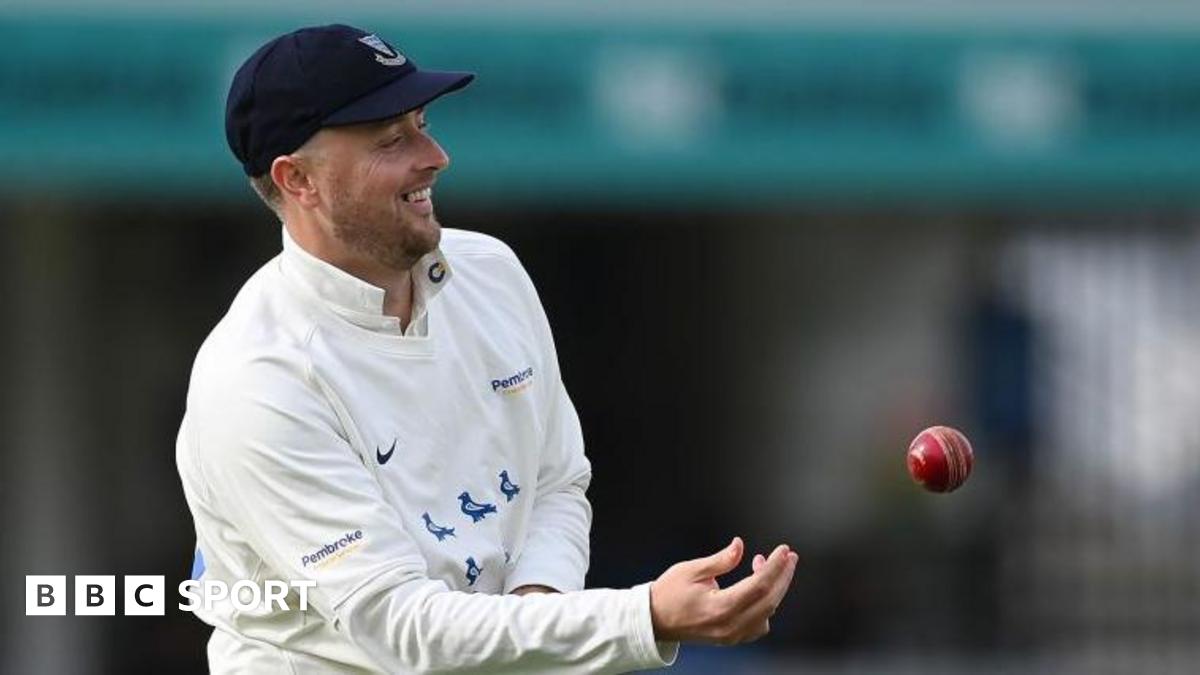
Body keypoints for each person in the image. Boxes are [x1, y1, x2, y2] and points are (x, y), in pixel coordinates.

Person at [176, 24, 799, 673]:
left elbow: (555, 482)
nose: (435, 154)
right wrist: (643, 616)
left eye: (421, 123)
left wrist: (537, 608)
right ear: (298, 179)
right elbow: (400, 628)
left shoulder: (491, 271)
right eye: (393, 140)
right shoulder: (256, 378)